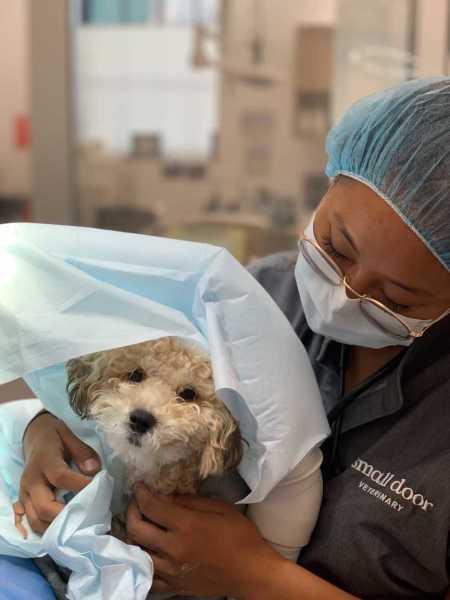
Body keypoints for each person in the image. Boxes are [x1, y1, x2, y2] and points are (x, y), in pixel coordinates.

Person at [17, 77, 450, 598]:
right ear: (330, 184)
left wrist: (257, 576)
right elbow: (117, 365)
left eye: (397, 297)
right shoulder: (252, 294)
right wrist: (46, 431)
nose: (346, 292)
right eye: (336, 246)